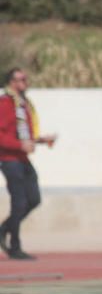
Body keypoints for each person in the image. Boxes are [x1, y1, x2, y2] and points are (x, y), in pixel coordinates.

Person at [0, 68, 57, 261]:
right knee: (19, 203)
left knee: (34, 199)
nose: (25, 82)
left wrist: (39, 140)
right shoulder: (6, 103)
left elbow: (22, 133)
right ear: (11, 83)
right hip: (9, 160)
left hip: (23, 160)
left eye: (25, 79)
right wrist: (20, 145)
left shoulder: (23, 105)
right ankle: (14, 246)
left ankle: (4, 229)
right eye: (20, 79)